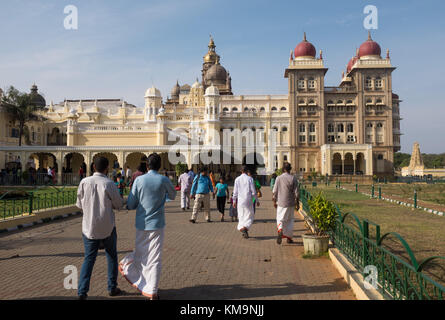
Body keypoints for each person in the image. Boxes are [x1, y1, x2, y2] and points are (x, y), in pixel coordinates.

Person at [119, 153, 176, 300]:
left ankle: (141, 281)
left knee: (140, 254)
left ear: (147, 165)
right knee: (155, 257)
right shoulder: (163, 179)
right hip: (157, 224)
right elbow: (173, 195)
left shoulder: (139, 180)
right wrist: (162, 198)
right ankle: (153, 291)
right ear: (159, 166)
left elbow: (131, 203)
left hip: (141, 223)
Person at [76, 156, 124, 300]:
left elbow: (79, 205)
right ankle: (112, 287)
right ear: (107, 168)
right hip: (107, 227)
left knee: (89, 259)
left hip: (89, 227)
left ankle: (82, 292)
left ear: (93, 167)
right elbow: (119, 205)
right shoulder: (109, 184)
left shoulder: (84, 182)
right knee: (111, 257)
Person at [272, 162, 299, 245]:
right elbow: (297, 193)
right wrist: (297, 203)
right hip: (290, 203)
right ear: (290, 169)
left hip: (281, 202)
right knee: (290, 220)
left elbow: (275, 191)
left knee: (280, 218)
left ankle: (280, 230)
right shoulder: (293, 178)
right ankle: (289, 238)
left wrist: (274, 201)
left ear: (283, 169)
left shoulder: (278, 178)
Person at [232, 166, 258, 239]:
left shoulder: (237, 179)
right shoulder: (250, 179)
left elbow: (235, 192)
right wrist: (256, 200)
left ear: (241, 171)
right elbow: (253, 191)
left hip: (240, 201)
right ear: (246, 171)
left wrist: (234, 200)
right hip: (248, 200)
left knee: (241, 216)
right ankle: (245, 228)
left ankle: (242, 228)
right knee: (249, 215)